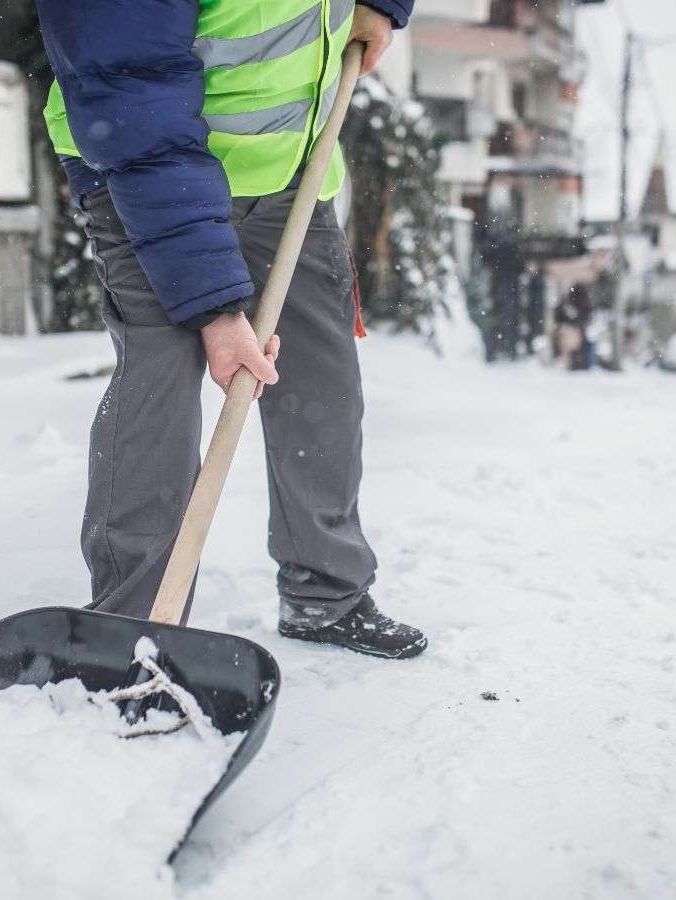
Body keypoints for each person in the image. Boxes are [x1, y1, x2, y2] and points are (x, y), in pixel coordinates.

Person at [34, 0, 426, 660]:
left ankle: (324, 594)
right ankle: (132, 623)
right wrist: (215, 311)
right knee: (158, 387)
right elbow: (133, 95)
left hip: (290, 176)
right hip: (145, 180)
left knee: (321, 390)